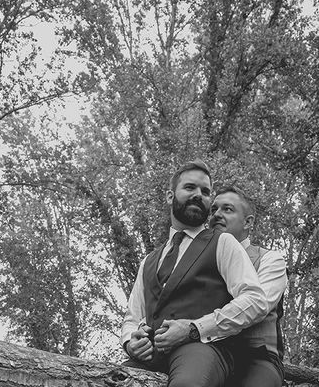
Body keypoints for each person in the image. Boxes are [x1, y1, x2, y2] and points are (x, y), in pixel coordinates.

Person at [121, 160, 270, 387]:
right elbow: (132, 317)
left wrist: (193, 329)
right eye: (190, 188)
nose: (199, 195)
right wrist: (130, 342)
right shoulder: (148, 261)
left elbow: (255, 300)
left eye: (205, 191)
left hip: (203, 351)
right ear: (171, 196)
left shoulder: (223, 243)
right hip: (150, 358)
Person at [209, 185, 288, 387]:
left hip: (256, 358)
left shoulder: (269, 260)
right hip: (208, 355)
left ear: (248, 222)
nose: (217, 215)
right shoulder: (200, 260)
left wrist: (194, 329)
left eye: (227, 209)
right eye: (213, 209)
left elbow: (256, 309)